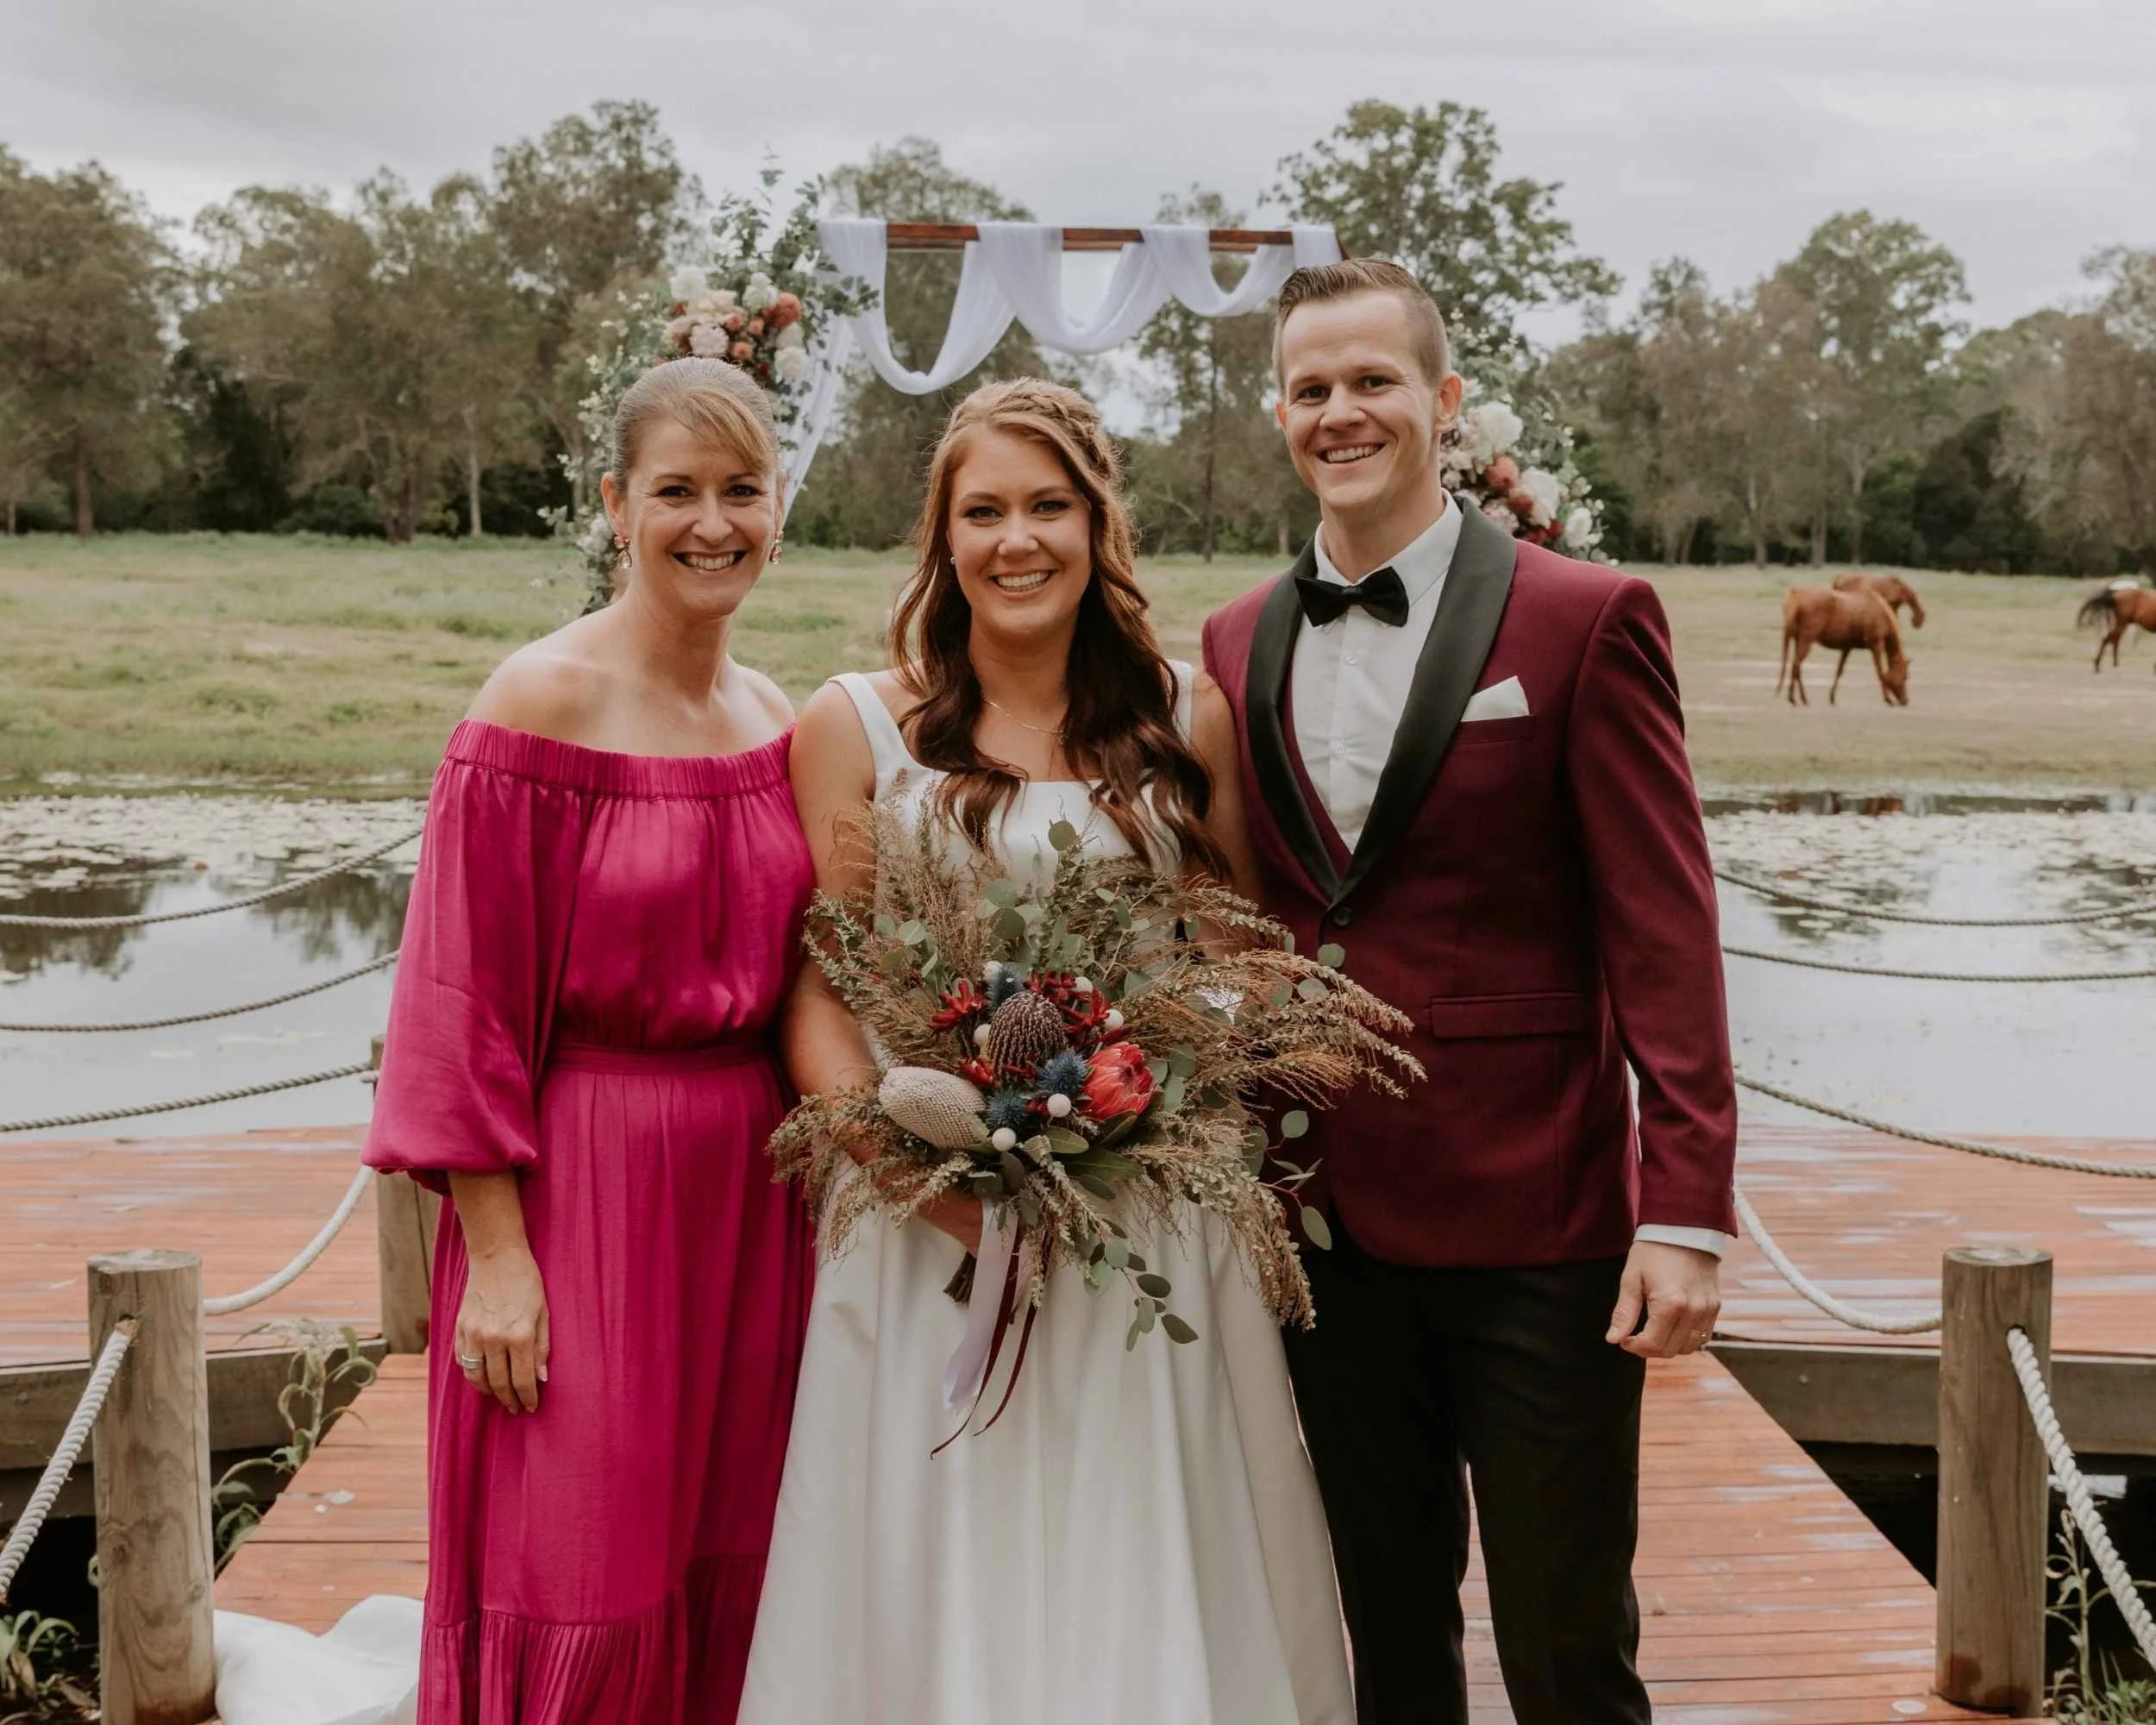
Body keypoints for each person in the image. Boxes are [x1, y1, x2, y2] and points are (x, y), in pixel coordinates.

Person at [739, 378, 1353, 1725]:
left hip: (1151, 1221)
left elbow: (1232, 960)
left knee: (1143, 1530)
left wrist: (1159, 1110)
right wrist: (933, 1186)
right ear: (942, 540)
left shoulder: (1187, 717)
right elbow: (823, 995)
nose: (1017, 541)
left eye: (1047, 507)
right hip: (921, 1229)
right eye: (984, 512)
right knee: (941, 1534)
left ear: (1097, 525)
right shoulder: (853, 725)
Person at [1200, 260, 1738, 1725]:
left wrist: (1682, 1211)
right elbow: (1244, 920)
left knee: (1569, 1646)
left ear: (1443, 403)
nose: (1341, 412)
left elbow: (1666, 935)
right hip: (1325, 1223)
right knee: (1385, 1636)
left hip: (1539, 1224)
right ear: (1281, 415)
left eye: (1372, 381)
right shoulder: (1236, 640)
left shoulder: (1586, 616)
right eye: (1311, 389)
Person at [361, 356, 815, 1722]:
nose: (713, 522)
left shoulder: (778, 719)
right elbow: (457, 1006)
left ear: (780, 505)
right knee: (583, 1569)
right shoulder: (534, 705)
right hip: (581, 1191)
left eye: (743, 489)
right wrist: (496, 1260)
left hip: (754, 1194)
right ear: (617, 504)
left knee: (734, 1555)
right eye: (677, 490)